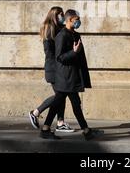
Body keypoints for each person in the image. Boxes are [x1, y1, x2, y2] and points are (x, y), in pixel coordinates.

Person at [41, 9, 103, 140]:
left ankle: (46, 129)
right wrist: (74, 52)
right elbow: (59, 57)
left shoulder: (75, 34)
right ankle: (86, 131)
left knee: (63, 103)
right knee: (74, 104)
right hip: (65, 77)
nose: (78, 22)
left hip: (72, 76)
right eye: (76, 20)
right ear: (69, 20)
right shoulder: (62, 36)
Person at [28, 6, 74, 139]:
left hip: (58, 68)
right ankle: (36, 112)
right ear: (54, 15)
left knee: (61, 94)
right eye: (60, 15)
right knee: (60, 95)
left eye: (63, 14)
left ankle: (60, 123)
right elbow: (50, 53)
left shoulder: (58, 30)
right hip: (54, 69)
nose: (62, 17)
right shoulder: (49, 31)